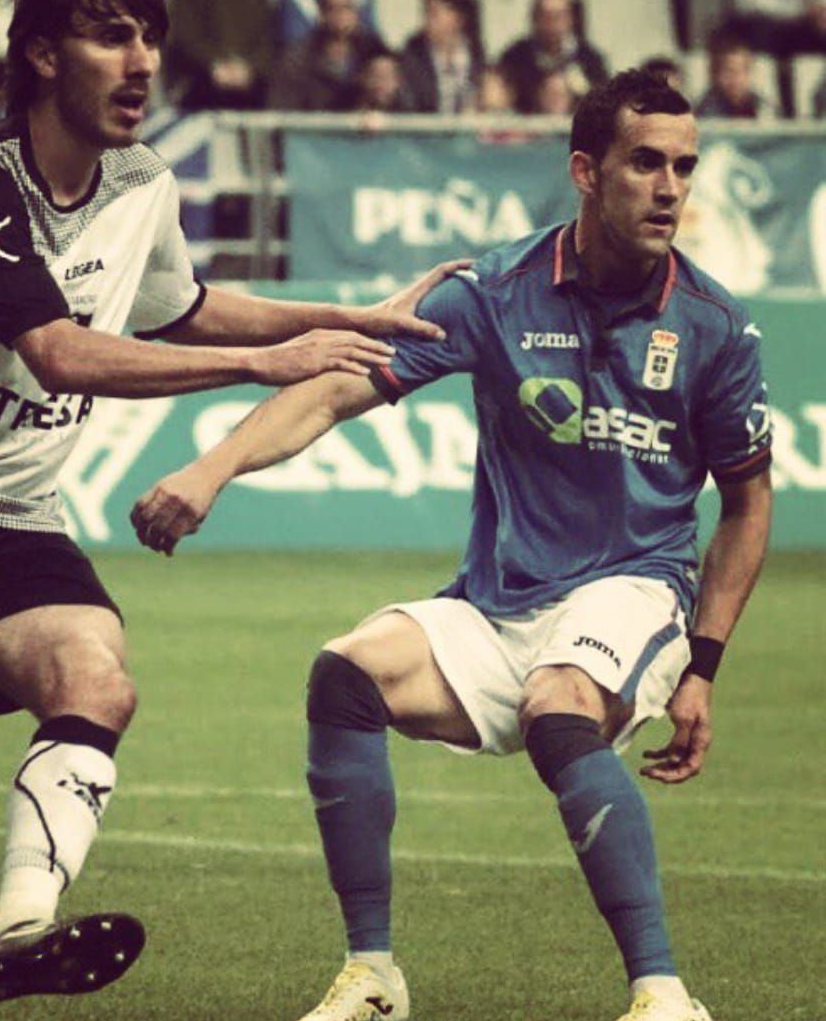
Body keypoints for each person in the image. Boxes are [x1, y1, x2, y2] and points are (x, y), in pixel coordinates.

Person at [0, 0, 456, 1021]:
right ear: (43, 55)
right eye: (113, 35)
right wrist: (262, 367)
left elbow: (180, 306)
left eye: (150, 36)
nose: (142, 59)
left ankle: (17, 930)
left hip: (13, 515)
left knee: (99, 681)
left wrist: (342, 317)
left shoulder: (142, 182)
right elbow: (61, 352)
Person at [131, 68, 773, 1021]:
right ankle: (373, 974)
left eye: (685, 165)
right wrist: (212, 468)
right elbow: (338, 386)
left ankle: (664, 994)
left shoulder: (715, 327)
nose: (672, 187)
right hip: (501, 601)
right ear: (586, 172)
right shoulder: (497, 290)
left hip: (636, 590)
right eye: (647, 163)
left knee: (562, 705)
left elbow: (747, 502)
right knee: (344, 674)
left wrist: (703, 667)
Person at [165, 0, 273, 109]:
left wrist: (250, 69)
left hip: (250, 93)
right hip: (199, 92)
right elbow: (183, 37)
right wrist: (214, 65)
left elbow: (268, 43)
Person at [269, 0, 385, 111]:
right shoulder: (296, 60)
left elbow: (398, 101)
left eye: (346, 7)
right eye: (332, 8)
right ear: (321, 15)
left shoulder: (374, 53)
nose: (341, 14)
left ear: (356, 13)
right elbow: (282, 109)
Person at [499, 0, 608, 114]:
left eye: (559, 15)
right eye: (546, 15)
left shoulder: (591, 60)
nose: (553, 23)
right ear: (534, 19)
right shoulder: (514, 57)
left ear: (571, 18)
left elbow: (602, 106)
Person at [398, 0, 482, 114]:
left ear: (458, 18)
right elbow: (409, 101)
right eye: (425, 13)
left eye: (434, 14)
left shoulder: (476, 52)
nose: (426, 21)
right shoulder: (414, 53)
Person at [696, 38, 775, 120]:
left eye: (742, 70)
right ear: (715, 75)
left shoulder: (761, 106)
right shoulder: (706, 110)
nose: (735, 78)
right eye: (728, 71)